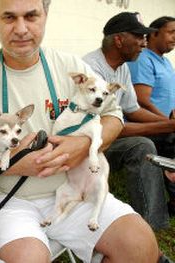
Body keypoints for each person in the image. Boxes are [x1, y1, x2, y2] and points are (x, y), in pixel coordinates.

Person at [0, 0, 160, 262]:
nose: (21, 28)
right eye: (9, 17)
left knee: (139, 245)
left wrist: (83, 146)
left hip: (72, 189)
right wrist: (14, 165)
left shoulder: (71, 67)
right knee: (28, 258)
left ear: (45, 15)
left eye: (31, 16)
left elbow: (114, 116)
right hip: (7, 197)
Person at [83, 12, 173, 230]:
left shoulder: (121, 67)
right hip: (91, 146)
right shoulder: (91, 69)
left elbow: (133, 109)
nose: (144, 43)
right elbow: (105, 129)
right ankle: (150, 224)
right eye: (139, 37)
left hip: (110, 136)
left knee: (170, 135)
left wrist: (166, 124)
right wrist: (166, 124)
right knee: (141, 146)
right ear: (119, 40)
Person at [127, 16, 175, 216]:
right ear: (154, 33)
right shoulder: (143, 59)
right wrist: (168, 123)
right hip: (150, 126)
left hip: (166, 124)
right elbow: (142, 101)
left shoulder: (165, 62)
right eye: (171, 32)